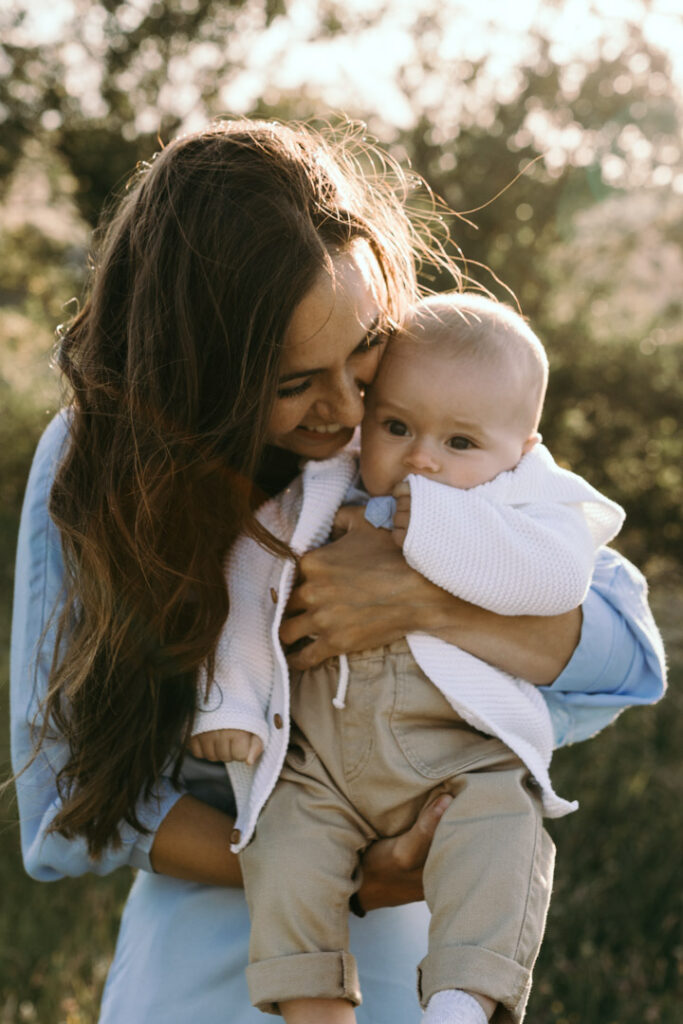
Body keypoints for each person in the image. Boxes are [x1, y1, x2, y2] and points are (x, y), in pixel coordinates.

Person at [10, 120, 665, 1024]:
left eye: (363, 349)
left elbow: (625, 654)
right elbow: (65, 816)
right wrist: (339, 875)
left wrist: (418, 600)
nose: (349, 408)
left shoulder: (416, 406)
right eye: (292, 383)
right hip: (229, 903)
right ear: (201, 375)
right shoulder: (95, 464)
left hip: (420, 922)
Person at [189, 293, 626, 1024]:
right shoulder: (327, 488)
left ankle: (461, 1002)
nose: (421, 456)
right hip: (321, 760)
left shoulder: (529, 503)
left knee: (502, 831)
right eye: (396, 425)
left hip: (454, 759)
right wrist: (230, 700)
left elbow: (556, 578)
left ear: (521, 449)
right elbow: (248, 576)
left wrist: (434, 528)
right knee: (283, 848)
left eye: (459, 444)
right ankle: (313, 1007)